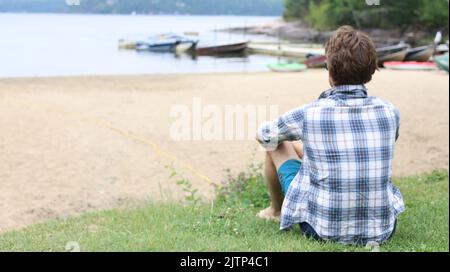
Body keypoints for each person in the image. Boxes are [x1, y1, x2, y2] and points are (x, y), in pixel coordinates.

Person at [256, 26, 404, 245]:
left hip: (320, 229)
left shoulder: (310, 112)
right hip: (381, 230)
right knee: (311, 150)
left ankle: (275, 211)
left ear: (329, 68)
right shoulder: (390, 111)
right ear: (372, 70)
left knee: (275, 145)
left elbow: (264, 135)